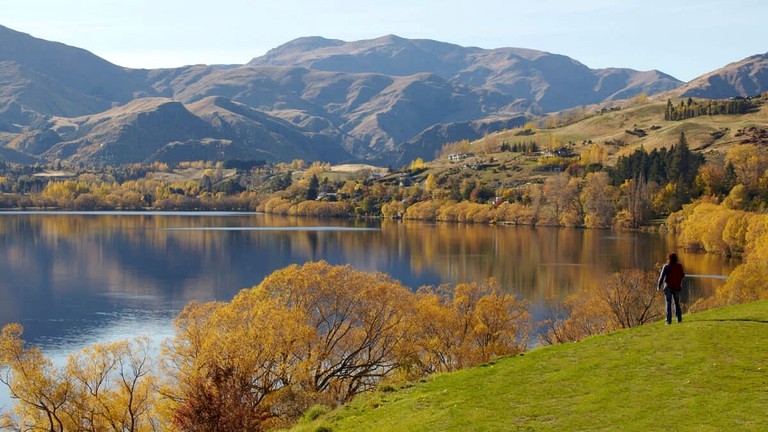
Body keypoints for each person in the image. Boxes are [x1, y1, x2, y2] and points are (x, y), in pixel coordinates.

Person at [657, 253, 685, 324]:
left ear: (668, 258)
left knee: (668, 303)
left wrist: (658, 286)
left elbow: (661, 277)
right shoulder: (679, 266)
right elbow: (682, 276)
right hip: (676, 287)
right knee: (677, 303)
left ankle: (668, 321)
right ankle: (679, 319)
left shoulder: (666, 266)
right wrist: (679, 285)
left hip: (668, 286)